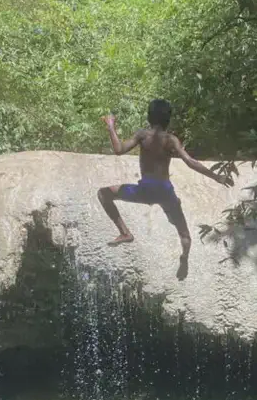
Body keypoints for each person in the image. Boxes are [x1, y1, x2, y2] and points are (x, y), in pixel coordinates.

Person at [98, 98, 232, 280]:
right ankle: (184, 257)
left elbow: (119, 149)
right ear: (168, 119)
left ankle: (124, 232)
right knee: (185, 236)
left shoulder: (142, 135)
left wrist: (111, 127)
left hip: (144, 191)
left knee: (104, 194)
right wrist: (216, 176)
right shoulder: (170, 140)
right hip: (165, 193)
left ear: (148, 116)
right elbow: (190, 162)